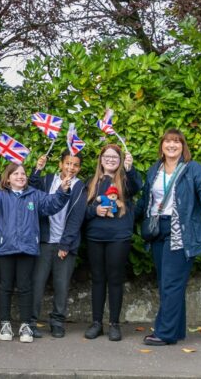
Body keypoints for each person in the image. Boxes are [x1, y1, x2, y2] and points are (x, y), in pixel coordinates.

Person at [140, 129, 201, 346]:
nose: (172, 145)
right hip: (158, 230)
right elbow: (146, 199)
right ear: (162, 145)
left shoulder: (192, 168)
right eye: (168, 141)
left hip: (179, 231)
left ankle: (164, 333)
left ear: (183, 147)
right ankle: (177, 330)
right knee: (167, 282)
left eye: (176, 142)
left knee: (171, 283)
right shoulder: (155, 169)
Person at [0, 162, 70, 343]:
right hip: (6, 248)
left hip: (27, 248)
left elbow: (51, 204)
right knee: (5, 287)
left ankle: (25, 325)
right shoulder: (0, 195)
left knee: (25, 287)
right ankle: (5, 324)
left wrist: (62, 190)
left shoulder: (34, 195)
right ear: (8, 178)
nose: (20, 177)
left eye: (23, 174)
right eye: (16, 174)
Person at [83, 144, 141, 342]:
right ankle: (96, 323)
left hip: (118, 237)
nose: (110, 159)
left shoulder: (125, 180)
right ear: (100, 159)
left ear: (120, 160)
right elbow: (81, 210)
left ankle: (114, 324)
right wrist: (94, 211)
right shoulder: (91, 182)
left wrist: (130, 168)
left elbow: (137, 186)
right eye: (106, 156)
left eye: (114, 157)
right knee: (98, 279)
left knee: (115, 279)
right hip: (95, 237)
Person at [28, 151, 87, 338]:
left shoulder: (80, 187)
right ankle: (30, 321)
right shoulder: (47, 180)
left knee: (61, 285)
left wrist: (65, 244)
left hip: (64, 244)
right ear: (61, 164)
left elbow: (77, 218)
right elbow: (31, 188)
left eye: (75, 165)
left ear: (79, 168)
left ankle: (57, 321)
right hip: (44, 241)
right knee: (37, 283)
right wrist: (37, 170)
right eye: (68, 163)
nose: (71, 168)